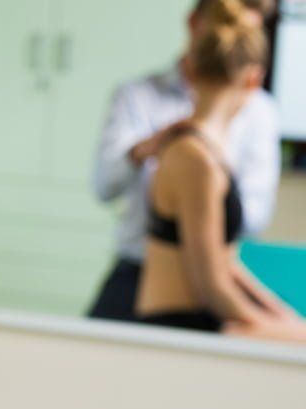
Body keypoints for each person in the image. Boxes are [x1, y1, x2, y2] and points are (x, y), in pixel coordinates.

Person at [89, 0, 280, 322]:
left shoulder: (258, 115)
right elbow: (103, 185)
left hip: (212, 281)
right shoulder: (143, 102)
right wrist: (142, 150)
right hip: (141, 276)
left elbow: (248, 226)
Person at [136, 0, 306, 342]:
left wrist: (285, 318)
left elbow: (226, 263)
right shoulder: (196, 161)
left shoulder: (207, 153)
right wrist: (282, 331)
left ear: (192, 68)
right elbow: (210, 285)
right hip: (179, 325)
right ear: (254, 79)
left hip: (199, 316)